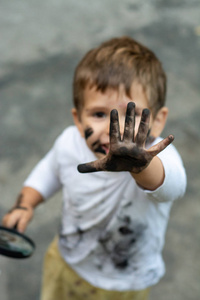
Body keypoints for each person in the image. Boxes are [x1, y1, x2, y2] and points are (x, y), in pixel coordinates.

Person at [2, 36, 186, 300]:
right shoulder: (69, 142)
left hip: (124, 282)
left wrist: (141, 166)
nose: (115, 132)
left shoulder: (160, 157)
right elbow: (49, 171)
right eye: (100, 114)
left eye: (131, 116)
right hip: (68, 261)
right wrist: (26, 204)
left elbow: (174, 187)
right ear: (78, 118)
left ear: (157, 121)